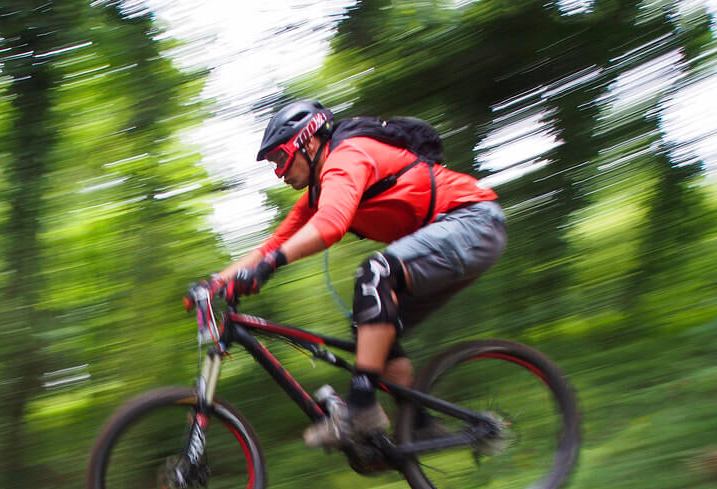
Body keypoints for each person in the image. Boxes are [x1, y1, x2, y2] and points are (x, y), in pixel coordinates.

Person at [194, 99, 507, 450]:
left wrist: (270, 267)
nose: (279, 173)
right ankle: (416, 425)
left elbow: (330, 226)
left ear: (308, 142)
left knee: (375, 273)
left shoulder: (347, 156)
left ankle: (360, 411)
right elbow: (273, 244)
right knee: (369, 327)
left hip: (473, 223)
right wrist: (216, 282)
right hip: (446, 245)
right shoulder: (317, 192)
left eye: (281, 158)